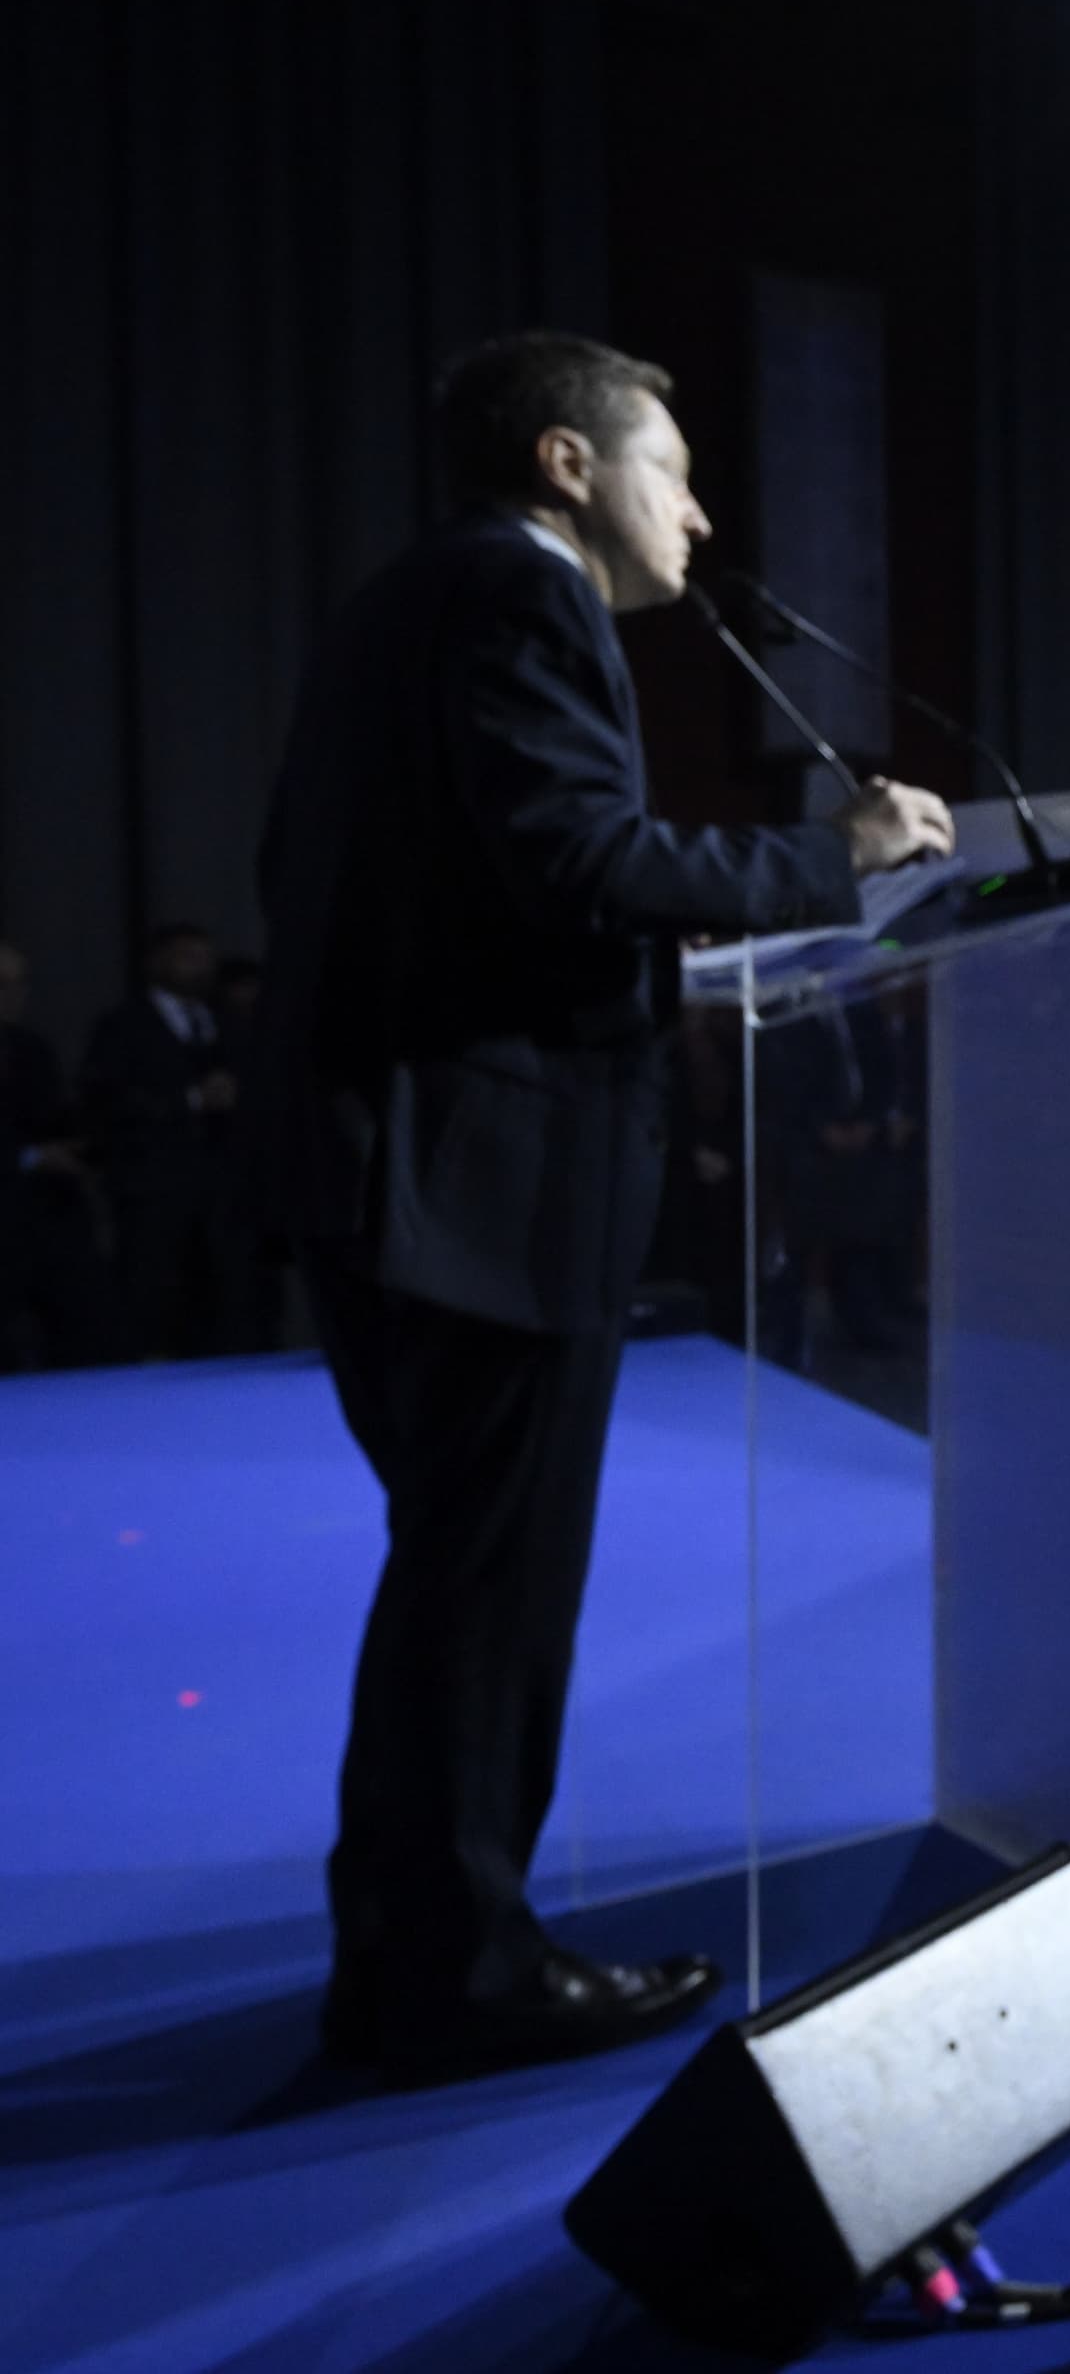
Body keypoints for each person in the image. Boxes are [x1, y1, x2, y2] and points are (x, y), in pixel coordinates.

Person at [247, 332, 953, 2081]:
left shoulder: (402, 604)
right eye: (678, 469)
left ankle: (415, 1953)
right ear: (570, 465)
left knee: (451, 1591)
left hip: (396, 1172)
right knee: (485, 1603)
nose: (702, 515)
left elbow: (450, 884)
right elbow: (578, 861)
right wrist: (835, 857)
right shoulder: (517, 595)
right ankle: (455, 1979)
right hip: (483, 1188)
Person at [80, 921, 261, 1356]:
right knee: (152, 1293)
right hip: (153, 1186)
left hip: (222, 1188)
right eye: (188, 956)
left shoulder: (228, 1024)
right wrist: (191, 1099)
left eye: (206, 957)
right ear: (156, 961)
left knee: (227, 1297)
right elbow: (107, 1100)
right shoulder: (123, 1027)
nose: (200, 967)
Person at [0, 940, 118, 1369]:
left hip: (48, 1212)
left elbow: (52, 1116)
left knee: (88, 1326)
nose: (12, 995)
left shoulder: (31, 1048)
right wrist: (28, 1157)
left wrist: (81, 1143)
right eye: (1, 984)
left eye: (18, 983)